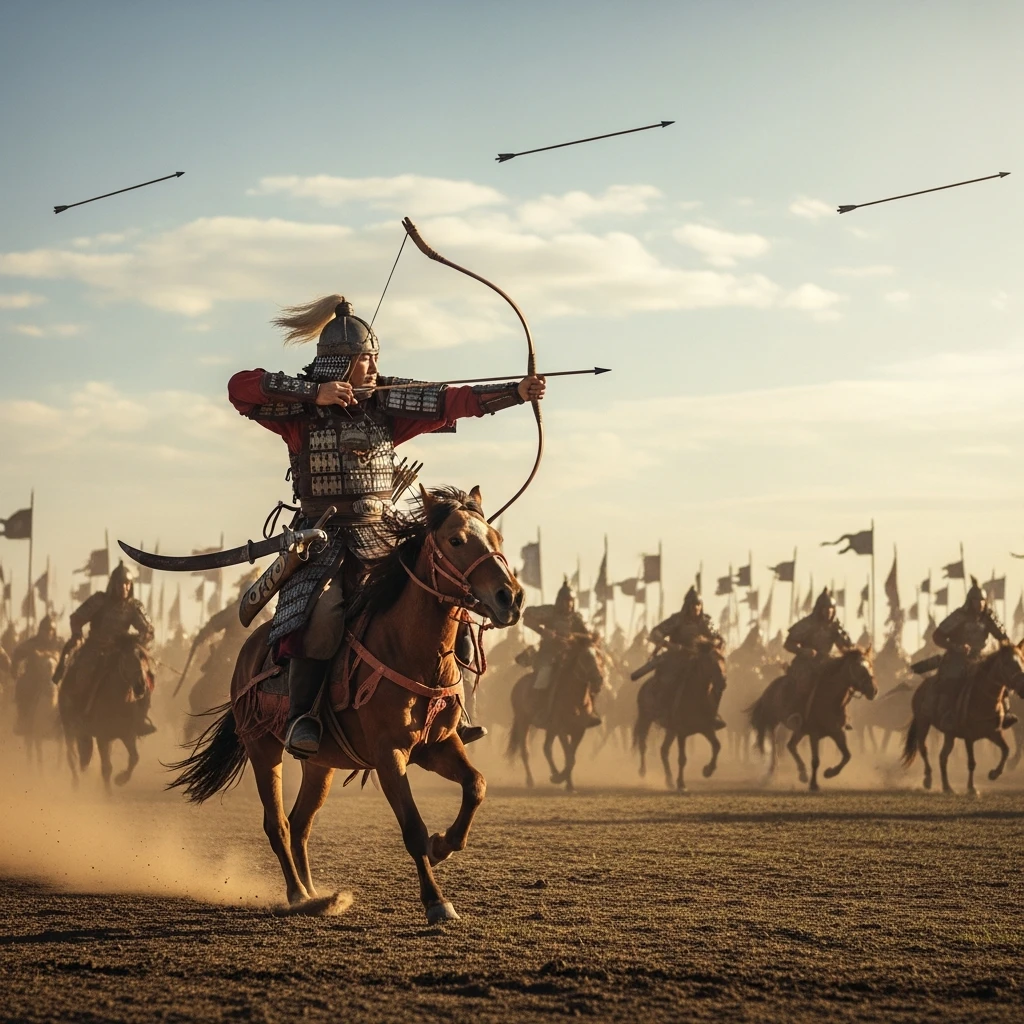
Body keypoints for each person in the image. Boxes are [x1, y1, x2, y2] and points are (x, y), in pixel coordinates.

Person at [229, 296, 545, 758]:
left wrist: (514, 393)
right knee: (322, 614)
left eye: (375, 357)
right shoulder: (301, 413)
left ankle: (451, 708)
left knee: (446, 593)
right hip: (324, 539)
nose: (374, 366)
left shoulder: (385, 406)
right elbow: (241, 387)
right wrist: (312, 394)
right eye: (365, 358)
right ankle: (302, 717)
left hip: (384, 533)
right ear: (340, 362)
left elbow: (449, 400)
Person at [61, 563, 156, 735]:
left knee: (145, 676)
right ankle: (80, 715)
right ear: (113, 584)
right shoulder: (99, 600)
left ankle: (140, 718)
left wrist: (140, 640)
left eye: (127, 584)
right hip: (96, 649)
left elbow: (148, 629)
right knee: (83, 675)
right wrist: (77, 635)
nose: (124, 587)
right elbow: (76, 618)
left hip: (122, 651)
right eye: (120, 583)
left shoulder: (134, 606)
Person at [932, 577, 1010, 730]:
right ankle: (949, 714)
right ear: (970, 601)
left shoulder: (989, 617)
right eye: (976, 600)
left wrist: (1007, 652)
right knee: (955, 681)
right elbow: (937, 636)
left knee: (1003, 677)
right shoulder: (959, 616)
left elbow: (1003, 637)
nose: (980, 604)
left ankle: (1004, 713)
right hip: (957, 658)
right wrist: (956, 647)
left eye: (982, 601)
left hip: (981, 657)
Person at [524, 578, 598, 727]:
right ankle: (539, 710)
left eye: (570, 601)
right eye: (565, 600)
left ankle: (589, 712)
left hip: (571, 658)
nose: (568, 604)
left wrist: (575, 637)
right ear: (559, 601)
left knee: (590, 675)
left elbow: (588, 636)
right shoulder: (550, 612)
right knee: (544, 676)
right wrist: (543, 631)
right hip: (549, 655)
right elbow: (527, 616)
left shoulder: (577, 618)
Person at [648, 586, 725, 726]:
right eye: (693, 604)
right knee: (668, 680)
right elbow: (655, 633)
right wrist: (670, 645)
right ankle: (662, 711)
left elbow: (720, 638)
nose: (696, 607)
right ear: (687, 606)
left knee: (718, 680)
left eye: (698, 604)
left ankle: (712, 713)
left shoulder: (708, 621)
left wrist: (711, 643)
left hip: (700, 659)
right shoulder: (676, 620)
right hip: (678, 658)